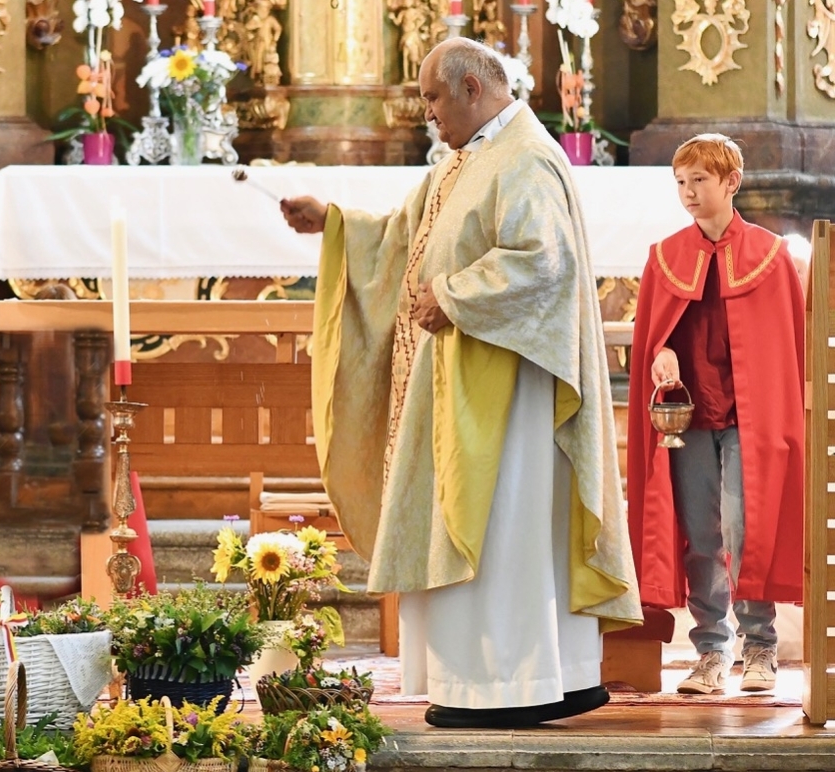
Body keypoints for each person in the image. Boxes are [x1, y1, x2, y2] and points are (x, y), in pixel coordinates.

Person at [279, 37, 642, 728]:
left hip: (508, 389)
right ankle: (535, 674)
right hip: (465, 377)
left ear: (473, 87)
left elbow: (543, 261)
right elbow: (403, 238)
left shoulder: (526, 157)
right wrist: (331, 222)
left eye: (433, 98)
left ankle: (508, 681)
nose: (428, 114)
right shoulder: (465, 161)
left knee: (508, 524)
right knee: (496, 525)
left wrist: (453, 295)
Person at [627, 134, 804, 695]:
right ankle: (709, 650)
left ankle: (760, 645)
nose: (688, 193)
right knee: (700, 532)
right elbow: (653, 338)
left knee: (743, 526)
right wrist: (662, 357)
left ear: (731, 182)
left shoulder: (771, 257)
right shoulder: (664, 256)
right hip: (688, 416)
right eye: (680, 182)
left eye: (699, 181)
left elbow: (785, 347)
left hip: (750, 417)